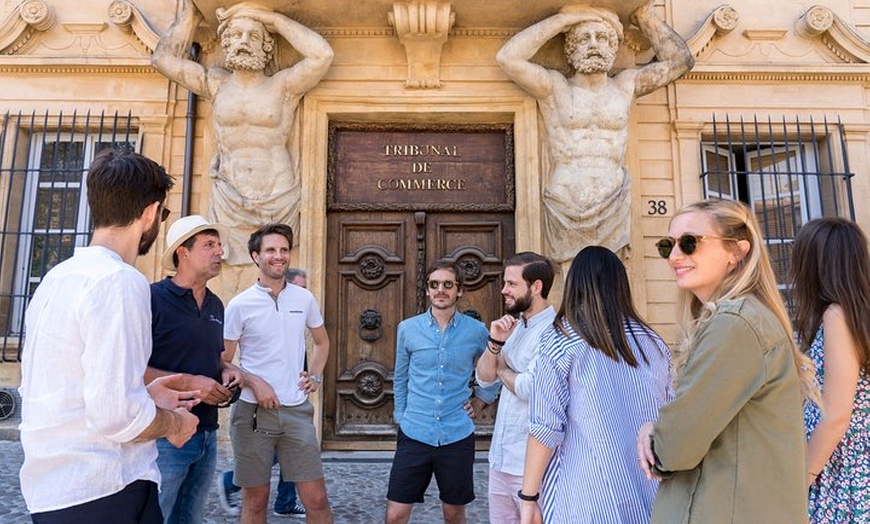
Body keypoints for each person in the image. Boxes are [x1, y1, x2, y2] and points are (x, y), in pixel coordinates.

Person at [18, 149, 200, 523]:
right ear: (150, 212)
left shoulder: (57, 278)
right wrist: (174, 423)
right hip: (107, 489)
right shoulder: (120, 281)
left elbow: (69, 388)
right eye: (163, 215)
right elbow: (117, 417)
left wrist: (146, 394)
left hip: (52, 493)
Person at [636, 199, 817, 523]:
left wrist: (651, 433)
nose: (675, 256)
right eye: (668, 245)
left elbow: (673, 446)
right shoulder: (741, 320)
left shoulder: (734, 323)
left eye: (689, 243)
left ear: (737, 251)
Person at [495, 2, 693, 269]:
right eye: (584, 38)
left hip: (612, 199)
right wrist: (564, 20)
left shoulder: (626, 85)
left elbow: (681, 61)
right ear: (570, 48)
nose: (593, 45)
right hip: (566, 200)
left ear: (613, 48)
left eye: (602, 38)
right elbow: (508, 58)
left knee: (611, 281)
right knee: (572, 282)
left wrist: (643, 15)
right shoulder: (555, 88)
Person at [152, 0, 333, 264]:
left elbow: (322, 55)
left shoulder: (282, 87)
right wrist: (192, 13)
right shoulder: (215, 83)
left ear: (266, 46)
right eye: (236, 35)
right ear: (226, 43)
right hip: (229, 197)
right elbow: (162, 60)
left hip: (277, 197)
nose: (244, 42)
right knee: (229, 277)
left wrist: (272, 20)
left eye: (253, 36)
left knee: (281, 272)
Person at [518, 246, 671, 524]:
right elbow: (669, 413)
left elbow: (544, 428)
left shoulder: (561, 340)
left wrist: (528, 497)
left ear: (574, 285)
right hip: (652, 494)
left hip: (586, 496)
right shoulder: (652, 341)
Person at [223, 225, 332, 524]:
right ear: (256, 256)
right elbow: (224, 362)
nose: (278, 256)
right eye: (271, 250)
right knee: (255, 502)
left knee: (318, 500)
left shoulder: (303, 298)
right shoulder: (239, 305)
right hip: (253, 414)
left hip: (297, 411)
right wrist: (253, 381)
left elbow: (323, 342)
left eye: (284, 250)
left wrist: (316, 376)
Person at [145, 214, 242, 523]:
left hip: (206, 436)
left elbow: (211, 359)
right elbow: (129, 369)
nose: (219, 252)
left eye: (219, 245)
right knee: (154, 516)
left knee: (189, 519)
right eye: (209, 245)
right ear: (182, 253)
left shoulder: (216, 305)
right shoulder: (151, 298)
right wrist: (189, 383)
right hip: (164, 434)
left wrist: (227, 372)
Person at [385, 260, 490, 524]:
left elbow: (497, 366)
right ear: (428, 291)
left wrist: (481, 400)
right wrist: (402, 415)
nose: (441, 290)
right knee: (396, 514)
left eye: (447, 284)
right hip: (414, 432)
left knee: (453, 512)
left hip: (456, 434)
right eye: (435, 285)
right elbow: (401, 376)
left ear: (459, 290)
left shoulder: (476, 331)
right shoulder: (408, 329)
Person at [790, 217, 870, 522]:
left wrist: (805, 476)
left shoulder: (838, 315)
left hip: (840, 466)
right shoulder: (856, 313)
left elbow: (836, 414)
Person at [217, 267, 309, 519]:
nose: (302, 294)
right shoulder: (246, 306)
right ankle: (230, 482)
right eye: (299, 288)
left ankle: (286, 501)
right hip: (261, 404)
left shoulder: (300, 309)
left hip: (295, 398)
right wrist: (253, 382)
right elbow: (224, 358)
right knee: (272, 462)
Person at [474, 252, 557, 524]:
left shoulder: (553, 332)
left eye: (511, 284)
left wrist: (503, 369)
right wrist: (494, 344)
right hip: (500, 458)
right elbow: (485, 379)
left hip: (531, 467)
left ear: (536, 287)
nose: (503, 290)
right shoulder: (515, 326)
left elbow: (529, 388)